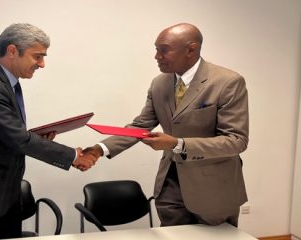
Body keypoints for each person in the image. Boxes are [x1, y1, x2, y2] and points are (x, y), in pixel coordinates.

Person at [0, 23, 96, 240]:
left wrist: (35, 138)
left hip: (3, 198)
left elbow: (4, 133)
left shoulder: (8, 83)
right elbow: (17, 138)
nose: (42, 64)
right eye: (37, 56)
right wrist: (74, 156)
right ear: (12, 51)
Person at [83, 23, 249, 227]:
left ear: (191, 49)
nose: (156, 56)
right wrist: (99, 150)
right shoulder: (159, 83)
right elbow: (140, 125)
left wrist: (178, 144)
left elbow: (236, 141)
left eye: (163, 50)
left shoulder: (228, 82)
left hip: (214, 190)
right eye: (156, 49)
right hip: (170, 187)